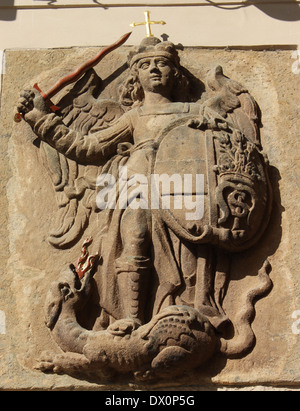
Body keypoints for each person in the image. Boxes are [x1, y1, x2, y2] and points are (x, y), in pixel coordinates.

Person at [17, 37, 220, 333]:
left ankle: (181, 313)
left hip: (182, 189)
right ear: (134, 75)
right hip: (136, 185)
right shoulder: (134, 117)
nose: (154, 69)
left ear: (174, 73)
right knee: (134, 233)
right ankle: (132, 317)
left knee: (187, 251)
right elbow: (87, 146)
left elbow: (222, 149)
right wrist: (39, 118)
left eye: (162, 63)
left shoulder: (195, 114)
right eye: (146, 65)